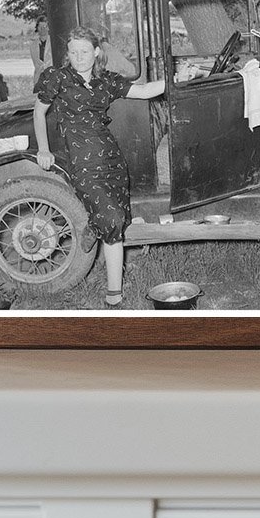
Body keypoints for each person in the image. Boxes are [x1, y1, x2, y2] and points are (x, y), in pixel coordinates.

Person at [33, 26, 164, 307]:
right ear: (68, 54)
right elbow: (39, 111)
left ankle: (95, 226)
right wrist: (43, 149)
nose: (79, 56)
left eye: (84, 51)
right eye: (73, 51)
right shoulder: (58, 78)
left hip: (112, 161)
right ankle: (114, 294)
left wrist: (175, 81)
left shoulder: (106, 81)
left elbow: (143, 91)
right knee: (114, 220)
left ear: (96, 52)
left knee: (115, 220)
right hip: (83, 162)